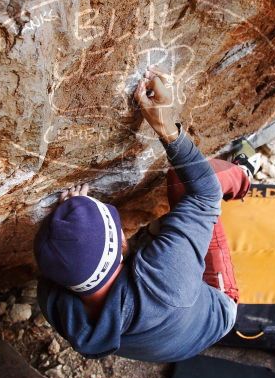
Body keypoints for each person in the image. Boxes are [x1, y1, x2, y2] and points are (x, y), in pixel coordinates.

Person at [35, 66, 259, 362]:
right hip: (214, 312)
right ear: (124, 246)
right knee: (189, 183)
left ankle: (163, 231)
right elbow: (204, 193)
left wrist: (68, 232)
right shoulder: (166, 279)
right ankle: (245, 174)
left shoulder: (54, 305)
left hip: (165, 341)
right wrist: (166, 126)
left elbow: (68, 258)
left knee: (175, 231)